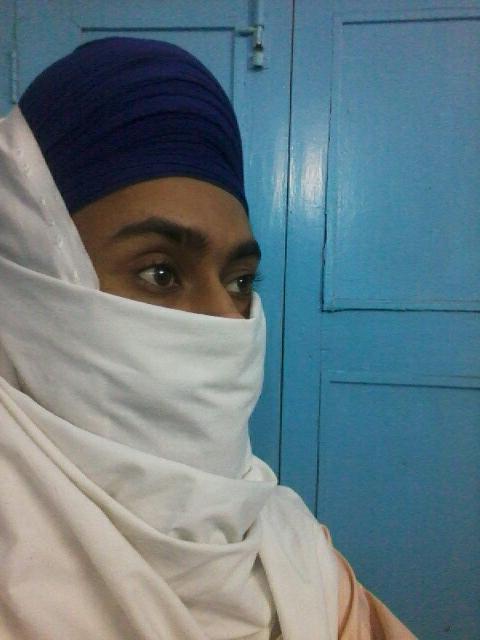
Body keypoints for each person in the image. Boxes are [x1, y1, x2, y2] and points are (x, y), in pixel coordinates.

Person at [0, 37, 415, 639]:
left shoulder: (292, 550)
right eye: (160, 274)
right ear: (26, 280)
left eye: (241, 281)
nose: (226, 322)